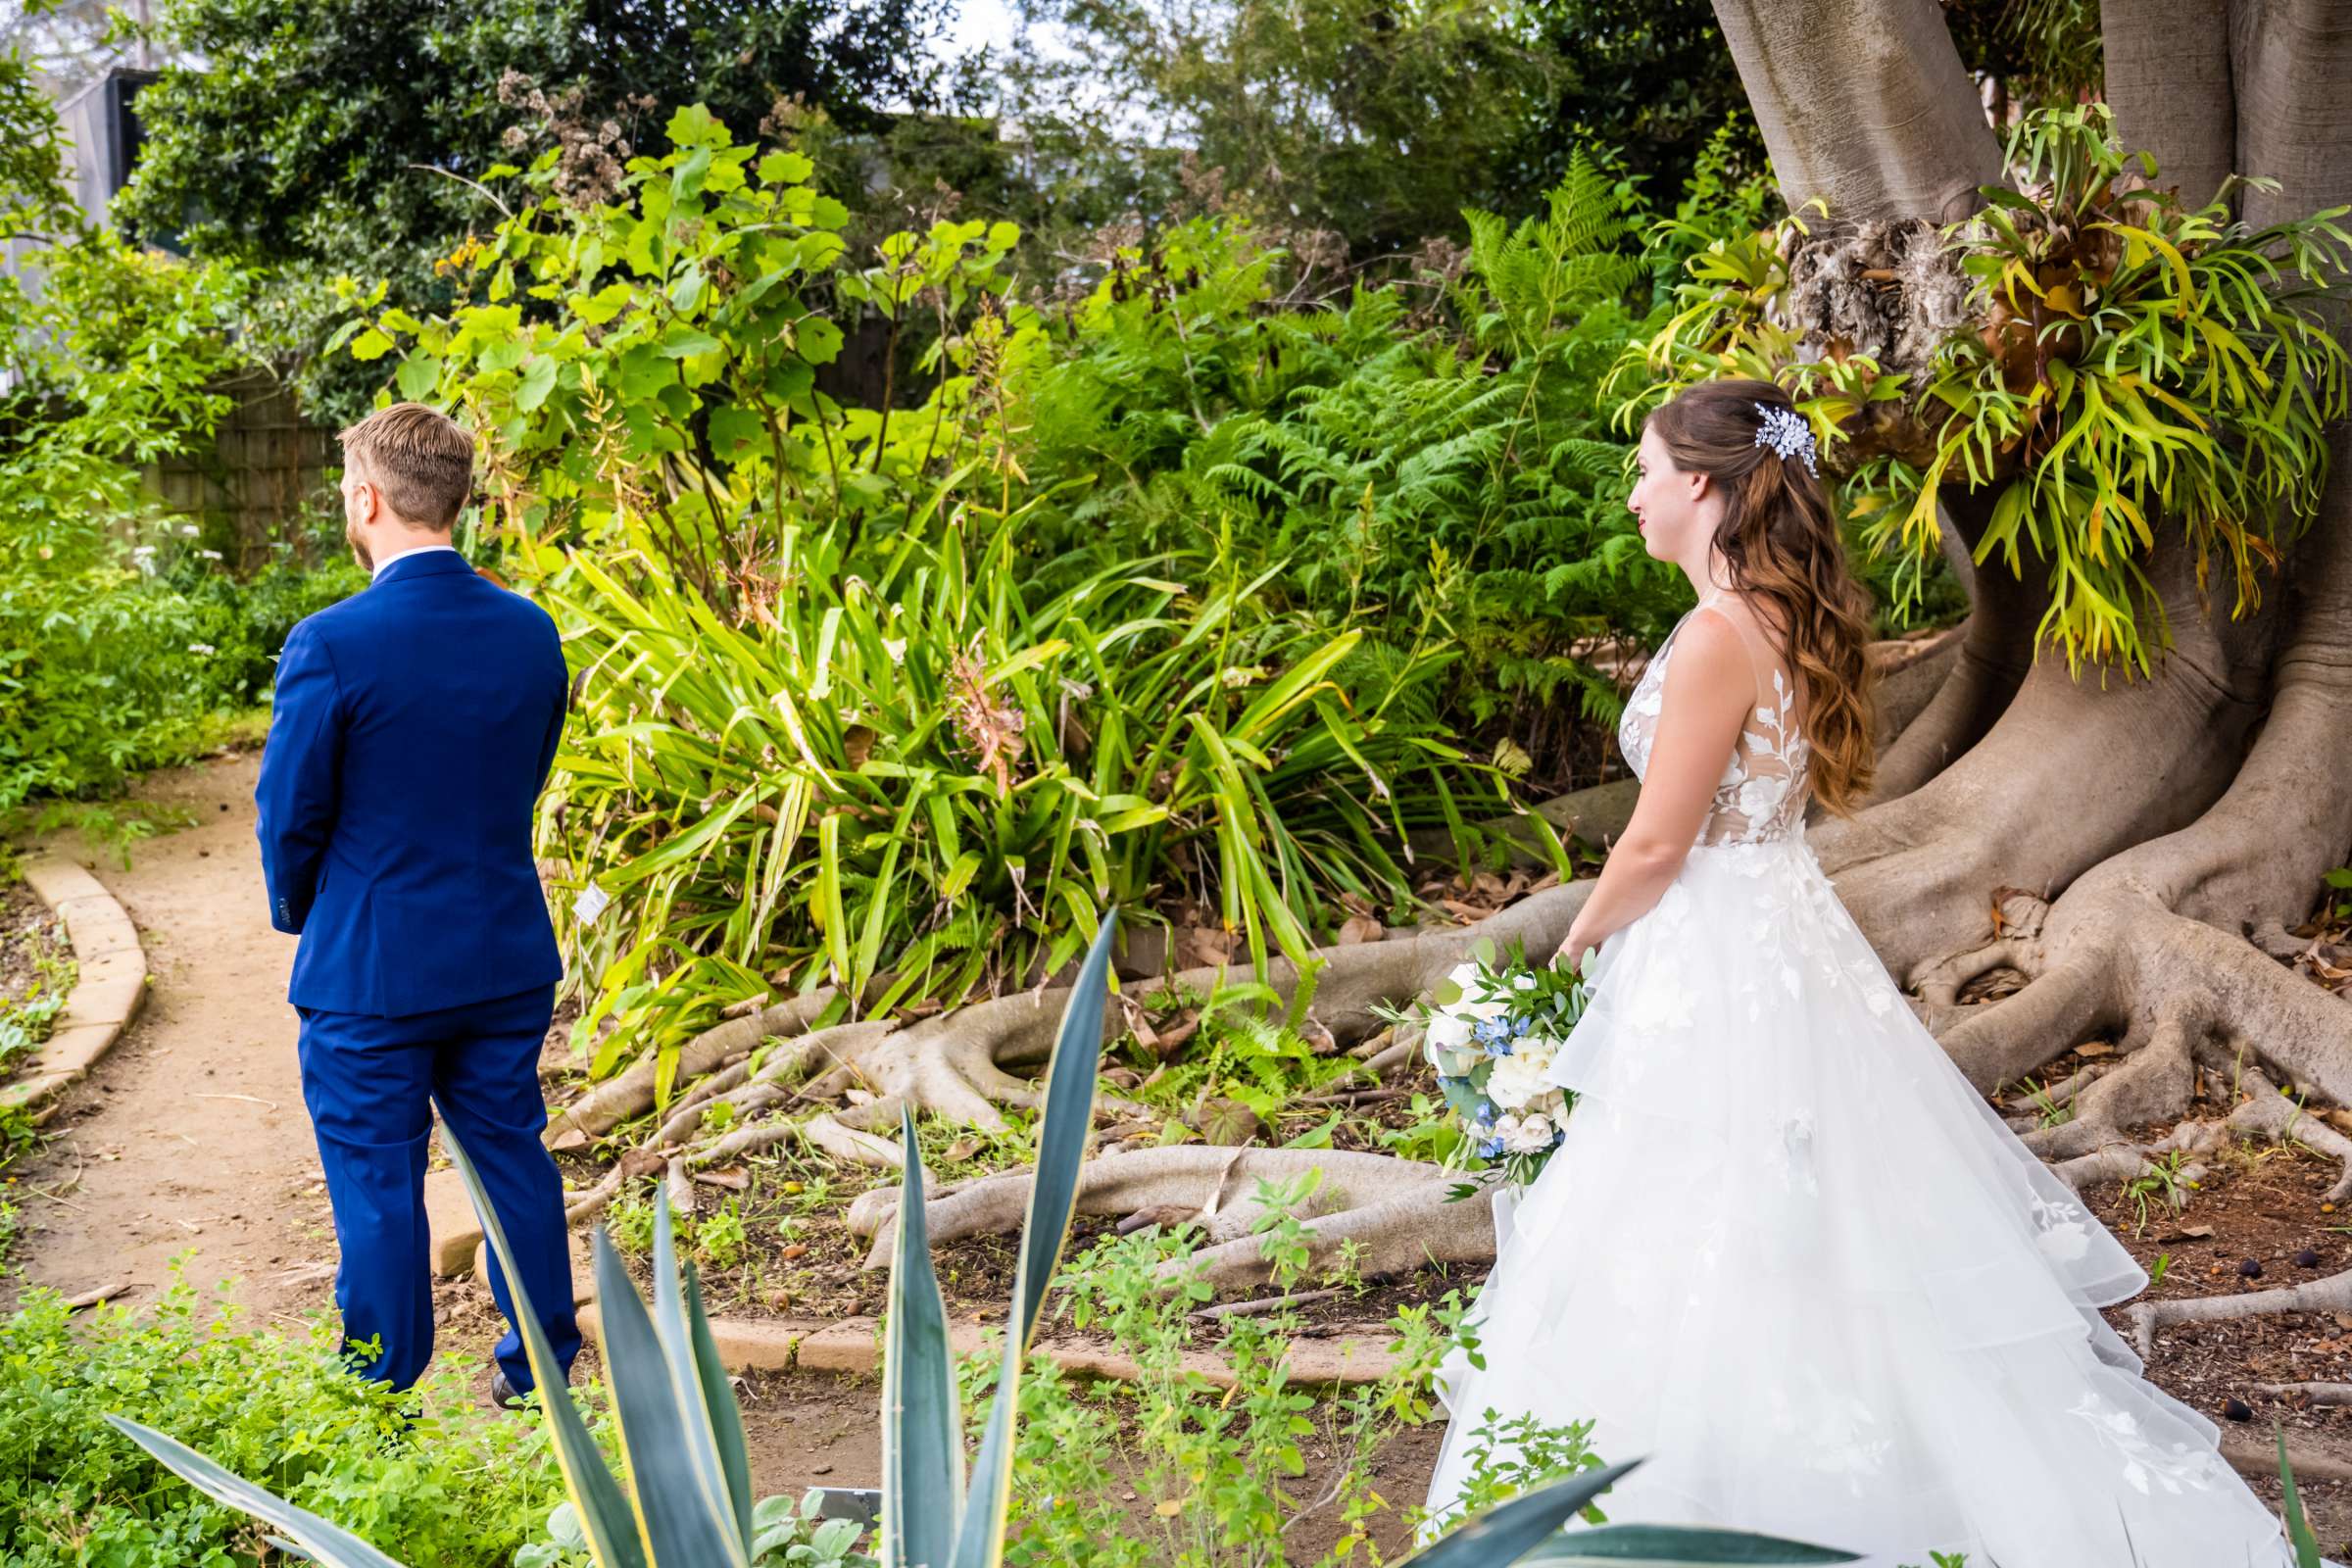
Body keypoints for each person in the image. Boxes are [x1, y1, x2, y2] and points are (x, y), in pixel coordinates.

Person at [1417, 379, 2300, 1564]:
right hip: (1770, 930)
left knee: (1704, 1193)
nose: (1630, 495)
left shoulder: (1719, 633)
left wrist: (1569, 956)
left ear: (1701, 484)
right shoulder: (1771, 617)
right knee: (1791, 1205)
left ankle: (1708, 1495)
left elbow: (1657, 840)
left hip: (1718, 941)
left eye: (1643, 470)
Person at [255, 402, 579, 1411]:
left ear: (367, 496)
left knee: (379, 1183)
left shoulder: (331, 643)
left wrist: (306, 907)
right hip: (503, 953)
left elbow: (290, 813)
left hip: (373, 971)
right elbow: (524, 776)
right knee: (512, 1159)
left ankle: (381, 1389)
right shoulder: (531, 631)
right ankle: (541, 1375)